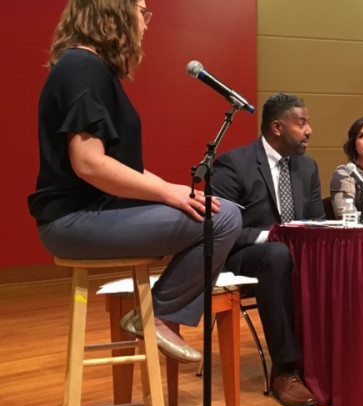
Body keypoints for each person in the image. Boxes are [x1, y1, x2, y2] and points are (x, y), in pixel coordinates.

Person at [28, 0, 242, 363]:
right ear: (112, 13)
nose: (145, 23)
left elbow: (115, 165)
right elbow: (90, 164)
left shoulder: (86, 67)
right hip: (74, 220)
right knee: (222, 219)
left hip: (86, 215)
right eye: (141, 12)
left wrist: (175, 192)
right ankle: (158, 317)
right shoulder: (83, 66)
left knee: (216, 211)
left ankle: (158, 316)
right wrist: (166, 193)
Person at [212, 93, 323, 406]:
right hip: (241, 256)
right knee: (278, 255)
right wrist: (274, 236)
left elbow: (316, 223)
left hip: (292, 254)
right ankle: (285, 368)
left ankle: (326, 358)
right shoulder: (233, 164)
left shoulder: (308, 168)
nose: (309, 129)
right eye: (301, 122)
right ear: (277, 127)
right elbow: (222, 230)